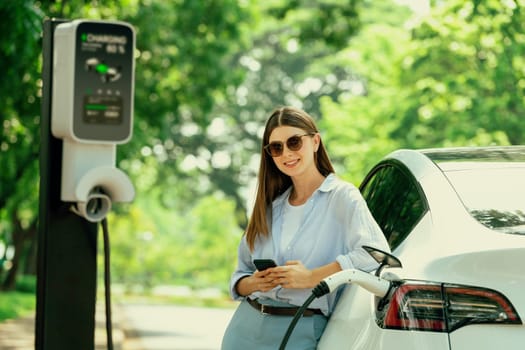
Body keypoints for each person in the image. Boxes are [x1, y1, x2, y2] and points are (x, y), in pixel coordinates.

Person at [221, 106, 390, 350]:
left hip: (300, 328)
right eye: (276, 148)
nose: (286, 153)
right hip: (244, 328)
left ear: (315, 142)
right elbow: (239, 277)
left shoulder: (342, 196)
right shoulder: (269, 209)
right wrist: (256, 282)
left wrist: (311, 277)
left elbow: (374, 255)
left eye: (294, 142)